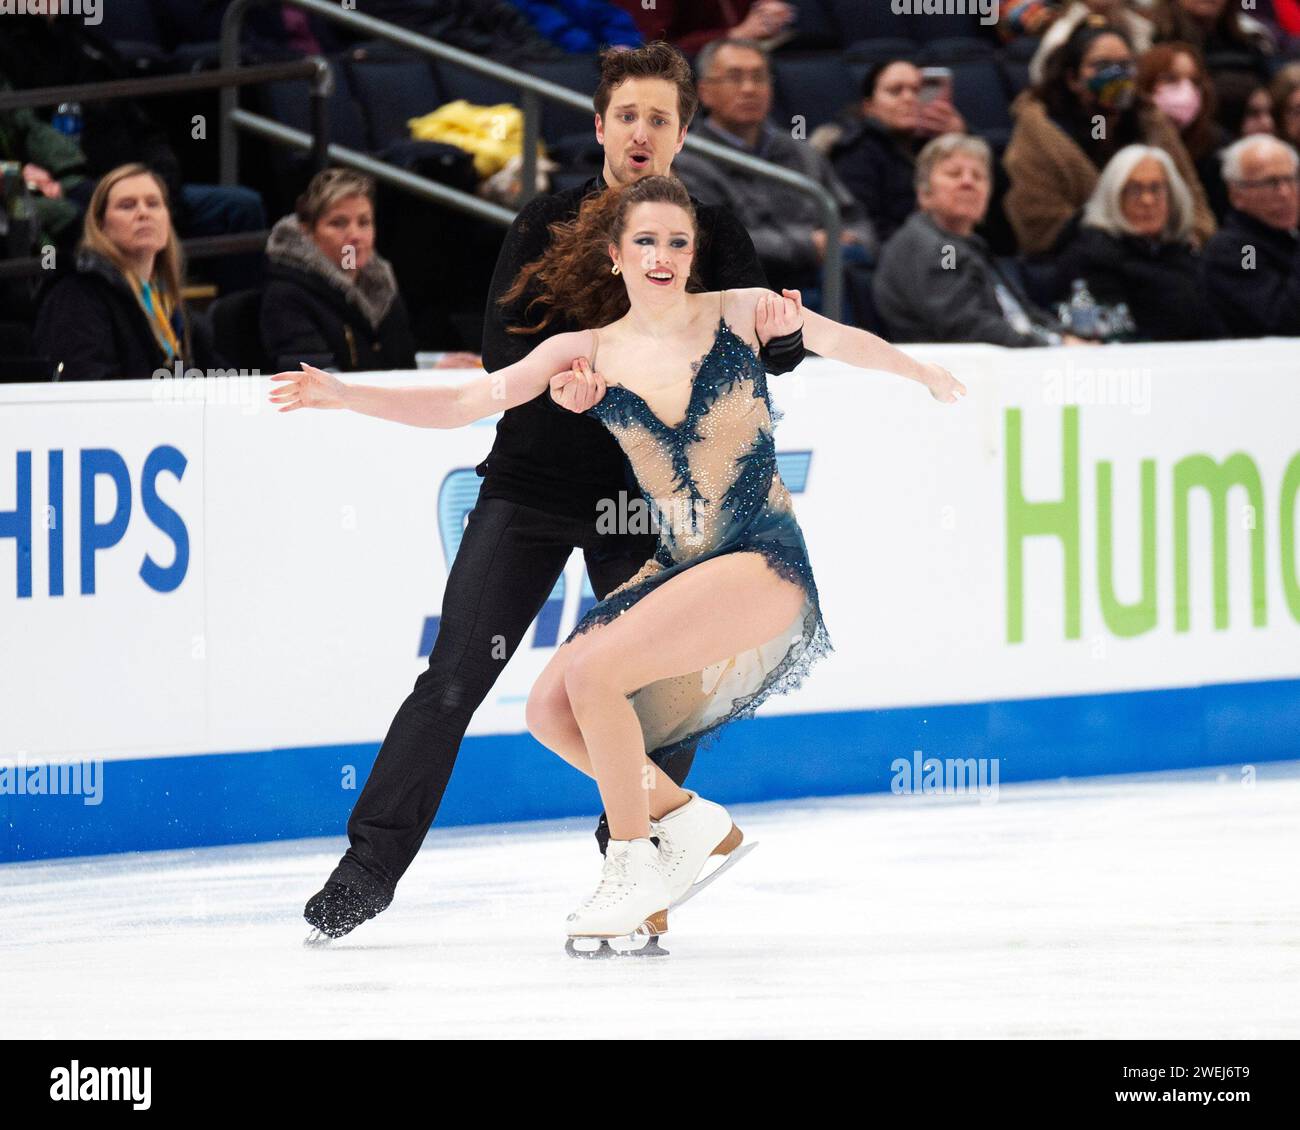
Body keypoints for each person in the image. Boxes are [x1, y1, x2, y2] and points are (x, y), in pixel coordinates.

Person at [268, 174, 966, 948]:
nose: (662, 256)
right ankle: (684, 815)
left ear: (694, 253)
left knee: (596, 677)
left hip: (761, 556)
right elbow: (467, 403)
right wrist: (347, 395)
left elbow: (842, 341)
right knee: (548, 708)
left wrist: (921, 373)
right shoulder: (585, 352)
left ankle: (632, 862)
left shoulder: (740, 312)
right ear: (614, 255)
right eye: (646, 241)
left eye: (677, 242)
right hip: (683, 563)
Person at [297, 41, 807, 940]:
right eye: (628, 116)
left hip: (643, 497)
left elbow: (749, 344)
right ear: (600, 124)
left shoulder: (712, 228)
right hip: (532, 483)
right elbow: (502, 356)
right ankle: (369, 866)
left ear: (684, 133)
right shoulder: (543, 220)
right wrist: (592, 376)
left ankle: (636, 855)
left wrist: (782, 335)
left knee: (656, 683)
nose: (642, 133)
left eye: (660, 118)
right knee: (454, 678)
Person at [671, 38, 877, 308]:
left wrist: (852, 240)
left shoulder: (803, 153)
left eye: (759, 78)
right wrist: (809, 245)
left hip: (822, 281)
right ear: (705, 92)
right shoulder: (689, 160)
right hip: (741, 296)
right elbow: (715, 239)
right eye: (734, 78)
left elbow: (853, 218)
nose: (749, 89)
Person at [1003, 19, 1216, 256]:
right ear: (1073, 79)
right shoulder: (1039, 135)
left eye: (1125, 65)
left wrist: (1187, 240)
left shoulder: (1150, 122)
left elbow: (1194, 203)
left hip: (1163, 257)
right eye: (1102, 65)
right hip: (1081, 265)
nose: (1116, 75)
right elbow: (1041, 230)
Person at [874, 135, 1078, 347]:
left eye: (978, 176)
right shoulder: (936, 247)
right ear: (924, 193)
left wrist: (1062, 336)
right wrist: (1053, 345)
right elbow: (968, 327)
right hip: (959, 370)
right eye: (954, 174)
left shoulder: (968, 242)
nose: (968, 182)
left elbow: (1023, 311)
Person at [33, 163, 218, 381]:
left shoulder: (166, 299)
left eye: (153, 204)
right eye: (127, 206)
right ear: (101, 224)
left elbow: (215, 373)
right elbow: (86, 384)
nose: (143, 213)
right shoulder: (77, 295)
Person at [1056, 145, 1225, 339]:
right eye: (1134, 189)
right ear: (1113, 196)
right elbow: (1111, 337)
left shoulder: (1182, 252)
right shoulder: (1090, 259)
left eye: (1156, 188)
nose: (1147, 200)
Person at [260, 168, 416, 372]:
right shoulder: (286, 296)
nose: (355, 236)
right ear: (308, 231)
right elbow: (314, 384)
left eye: (364, 222)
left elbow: (403, 367)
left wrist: (438, 369)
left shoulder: (382, 287)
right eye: (338, 223)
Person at [824, 59, 968, 246]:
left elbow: (999, 224)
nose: (909, 98)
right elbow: (866, 230)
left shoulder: (942, 145)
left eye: (917, 91)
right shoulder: (856, 153)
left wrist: (961, 140)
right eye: (895, 91)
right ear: (869, 107)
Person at [1199, 135, 1300, 337]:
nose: (1285, 193)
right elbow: (1280, 319)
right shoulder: (1244, 250)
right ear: (1237, 194)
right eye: (1271, 182)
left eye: (1292, 179)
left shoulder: (1288, 235)